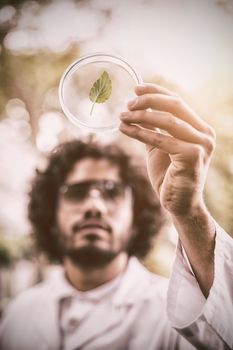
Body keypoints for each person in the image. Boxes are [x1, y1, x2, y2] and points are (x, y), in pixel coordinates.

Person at [0, 83, 232, 350]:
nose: (94, 205)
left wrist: (188, 210)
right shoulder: (19, 316)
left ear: (137, 216)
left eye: (112, 192)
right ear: (50, 214)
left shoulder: (178, 315)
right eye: (76, 192)